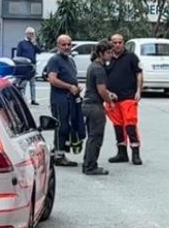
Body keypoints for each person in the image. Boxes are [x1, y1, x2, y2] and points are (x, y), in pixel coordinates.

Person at [103, 33, 145, 166]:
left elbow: (139, 73)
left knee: (130, 125)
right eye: (114, 42)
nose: (117, 45)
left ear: (123, 43)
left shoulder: (131, 57)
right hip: (112, 99)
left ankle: (135, 153)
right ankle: (122, 153)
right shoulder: (107, 58)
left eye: (120, 42)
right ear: (111, 43)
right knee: (118, 126)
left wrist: (139, 90)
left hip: (128, 97)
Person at [44, 35, 84, 167]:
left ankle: (58, 150)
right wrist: (69, 87)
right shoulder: (55, 60)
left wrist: (76, 87)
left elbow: (72, 78)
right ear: (57, 45)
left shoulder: (71, 60)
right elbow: (52, 79)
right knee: (61, 126)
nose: (67, 47)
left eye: (69, 44)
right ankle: (59, 156)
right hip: (60, 98)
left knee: (69, 125)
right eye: (63, 44)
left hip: (71, 98)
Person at [81, 42, 115, 176]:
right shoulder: (99, 69)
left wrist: (109, 94)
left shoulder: (92, 66)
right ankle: (91, 166)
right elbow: (101, 90)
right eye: (108, 53)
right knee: (96, 137)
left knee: (91, 137)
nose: (111, 55)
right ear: (101, 53)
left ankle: (87, 163)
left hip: (88, 105)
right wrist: (109, 100)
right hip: (95, 106)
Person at [13, 27, 41, 104]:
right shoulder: (21, 43)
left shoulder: (34, 43)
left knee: (33, 83)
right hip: (24, 65)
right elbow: (18, 55)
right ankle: (22, 98)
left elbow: (39, 51)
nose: (32, 35)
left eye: (33, 34)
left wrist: (34, 43)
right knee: (24, 83)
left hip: (32, 65)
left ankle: (33, 99)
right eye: (30, 34)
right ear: (26, 34)